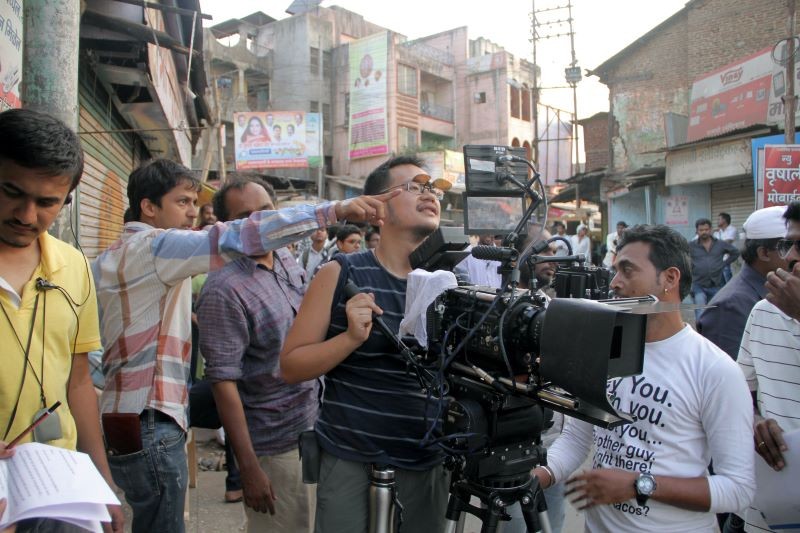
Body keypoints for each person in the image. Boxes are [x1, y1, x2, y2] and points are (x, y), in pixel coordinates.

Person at [93, 158, 397, 533]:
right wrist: (333, 210)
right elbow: (236, 238)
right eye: (182, 202)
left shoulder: (112, 256)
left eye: (193, 203)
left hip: (134, 417)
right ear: (148, 207)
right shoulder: (158, 249)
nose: (192, 214)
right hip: (156, 419)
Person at [531, 224, 755, 532]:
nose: (614, 283)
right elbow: (576, 438)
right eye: (615, 270)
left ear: (670, 278)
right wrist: (538, 477)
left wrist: (639, 484)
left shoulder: (714, 370)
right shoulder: (601, 350)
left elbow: (738, 489)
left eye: (627, 271)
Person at [280, 156, 450, 532]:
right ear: (377, 209)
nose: (430, 194)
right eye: (415, 186)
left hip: (427, 461)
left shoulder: (453, 282)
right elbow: (291, 366)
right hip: (351, 458)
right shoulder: (341, 272)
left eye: (433, 188)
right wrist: (349, 339)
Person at [0, 108, 123, 532]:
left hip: (57, 484)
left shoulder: (73, 266)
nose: (27, 215)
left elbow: (78, 382)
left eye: (47, 202)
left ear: (67, 199)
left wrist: (101, 480)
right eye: (11, 192)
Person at [198, 176, 318, 532]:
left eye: (267, 210)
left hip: (312, 429)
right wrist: (248, 468)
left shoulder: (284, 257)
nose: (262, 221)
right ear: (227, 226)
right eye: (247, 215)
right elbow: (223, 384)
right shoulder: (223, 289)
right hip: (275, 446)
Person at [737, 201, 800, 533]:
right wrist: (755, 420)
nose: (790, 256)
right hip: (772, 512)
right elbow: (739, 391)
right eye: (787, 244)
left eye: (799, 245)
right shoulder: (764, 312)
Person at [697, 206, 788, 360]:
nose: (794, 255)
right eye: (790, 247)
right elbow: (730, 376)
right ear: (764, 253)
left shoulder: (780, 291)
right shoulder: (731, 305)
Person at [690, 217, 740, 320]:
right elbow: (682, 257)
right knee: (700, 312)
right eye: (701, 230)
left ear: (711, 230)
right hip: (698, 285)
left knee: (716, 313)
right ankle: (701, 334)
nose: (704, 232)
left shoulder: (720, 244)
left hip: (717, 284)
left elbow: (735, 252)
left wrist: (724, 264)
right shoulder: (691, 246)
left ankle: (712, 334)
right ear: (697, 231)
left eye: (706, 229)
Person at [714, 212, 738, 283]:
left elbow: (727, 243)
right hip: (720, 260)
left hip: (732, 259)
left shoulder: (732, 230)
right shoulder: (717, 232)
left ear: (724, 220)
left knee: (729, 282)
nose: (717, 221)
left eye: (719, 219)